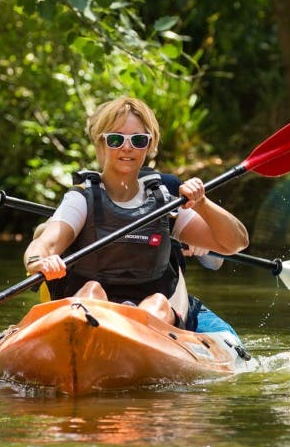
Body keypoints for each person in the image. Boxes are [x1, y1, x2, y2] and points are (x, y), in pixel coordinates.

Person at [23, 96, 249, 332]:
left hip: (150, 318)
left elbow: (235, 243)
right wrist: (39, 262)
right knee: (91, 291)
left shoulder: (164, 202)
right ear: (101, 144)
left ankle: (137, 339)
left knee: (159, 304)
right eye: (116, 139)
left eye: (138, 140)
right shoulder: (81, 200)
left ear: (149, 146)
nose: (127, 147)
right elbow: (44, 244)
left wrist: (201, 202)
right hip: (89, 312)